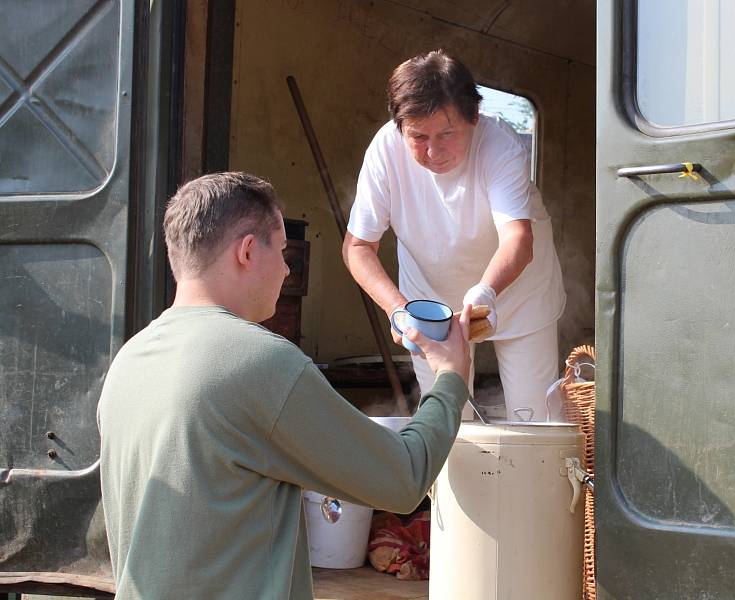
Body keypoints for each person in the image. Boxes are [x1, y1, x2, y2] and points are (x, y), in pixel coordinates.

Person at [96, 172, 471, 599]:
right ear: (249, 251)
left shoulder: (128, 362)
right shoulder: (261, 362)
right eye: (284, 251)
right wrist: (450, 377)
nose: (288, 268)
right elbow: (403, 478)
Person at [343, 50, 566, 421]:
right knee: (445, 420)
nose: (433, 151)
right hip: (428, 302)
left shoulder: (499, 145)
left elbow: (517, 239)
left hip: (519, 293)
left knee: (535, 421)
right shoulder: (385, 149)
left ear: (474, 118)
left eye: (447, 133)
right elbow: (358, 246)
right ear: (400, 126)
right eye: (418, 136)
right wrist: (397, 308)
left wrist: (485, 292)